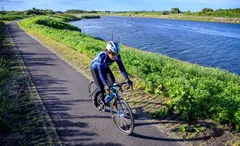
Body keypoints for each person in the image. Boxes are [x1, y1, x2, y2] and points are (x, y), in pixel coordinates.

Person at [90, 41, 133, 108]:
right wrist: (106, 85)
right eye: (113, 54)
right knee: (101, 89)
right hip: (96, 70)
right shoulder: (101, 58)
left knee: (114, 86)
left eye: (116, 54)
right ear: (108, 52)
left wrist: (127, 79)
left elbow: (121, 68)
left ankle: (112, 102)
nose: (115, 56)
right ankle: (95, 101)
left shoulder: (117, 57)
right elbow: (101, 74)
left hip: (106, 68)